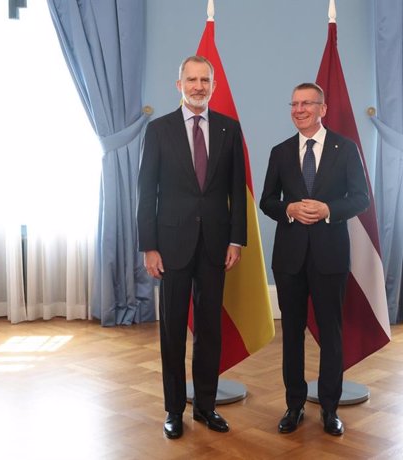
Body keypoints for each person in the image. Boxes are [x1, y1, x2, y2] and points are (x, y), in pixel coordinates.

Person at [137, 55, 247, 439]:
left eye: (205, 80)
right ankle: (173, 410)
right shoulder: (159, 130)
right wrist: (149, 246)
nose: (198, 86)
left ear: (213, 86)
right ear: (178, 84)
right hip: (170, 246)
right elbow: (145, 191)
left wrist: (237, 238)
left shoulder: (229, 130)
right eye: (191, 79)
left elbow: (236, 190)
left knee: (209, 330)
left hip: (216, 246)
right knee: (171, 331)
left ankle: (205, 406)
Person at [260, 82, 369, 436]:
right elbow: (267, 201)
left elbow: (360, 199)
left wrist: (328, 210)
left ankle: (330, 408)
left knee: (331, 334)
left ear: (323, 108)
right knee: (291, 333)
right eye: (294, 104)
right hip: (289, 259)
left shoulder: (346, 148)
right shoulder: (280, 152)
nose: (299, 109)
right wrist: (288, 208)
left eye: (307, 103)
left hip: (330, 256)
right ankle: (294, 405)